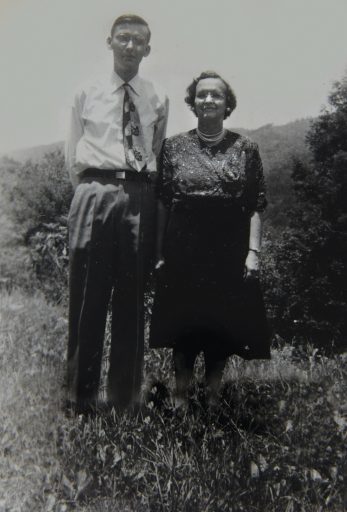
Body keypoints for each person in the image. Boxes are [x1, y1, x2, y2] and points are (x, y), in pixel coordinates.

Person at [65, 14, 169, 412]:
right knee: (87, 298)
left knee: (132, 299)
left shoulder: (158, 96)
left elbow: (157, 151)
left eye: (138, 40)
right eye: (122, 38)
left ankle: (124, 403)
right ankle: (80, 399)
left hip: (141, 194)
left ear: (147, 48)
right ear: (109, 42)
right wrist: (92, 194)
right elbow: (71, 155)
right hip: (93, 190)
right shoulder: (85, 92)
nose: (129, 46)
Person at [149, 71, 270, 406]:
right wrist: (158, 251)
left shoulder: (246, 148)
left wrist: (253, 252)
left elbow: (256, 204)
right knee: (184, 325)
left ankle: (214, 395)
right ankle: (180, 396)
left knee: (221, 324)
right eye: (201, 95)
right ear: (193, 102)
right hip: (183, 247)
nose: (208, 100)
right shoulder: (173, 147)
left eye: (216, 95)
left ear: (227, 103)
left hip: (228, 248)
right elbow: (162, 202)